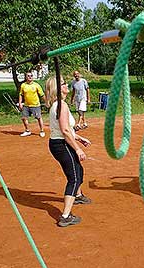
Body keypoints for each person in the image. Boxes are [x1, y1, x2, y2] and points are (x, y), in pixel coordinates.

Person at [45, 76, 92, 227]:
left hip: (59, 142)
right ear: (58, 88)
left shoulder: (58, 104)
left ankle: (77, 195)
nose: (67, 85)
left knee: (77, 170)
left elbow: (66, 129)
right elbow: (65, 131)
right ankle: (65, 216)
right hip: (61, 144)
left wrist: (79, 138)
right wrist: (78, 149)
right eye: (64, 83)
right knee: (74, 177)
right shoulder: (61, 105)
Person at [18, 72, 46, 137]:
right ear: (26, 77)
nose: (30, 77)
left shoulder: (36, 85)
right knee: (24, 118)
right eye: (28, 76)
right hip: (26, 105)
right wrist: (20, 103)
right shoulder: (23, 85)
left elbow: (42, 95)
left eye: (31, 76)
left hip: (35, 105)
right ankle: (27, 130)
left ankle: (42, 131)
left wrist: (46, 102)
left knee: (39, 118)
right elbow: (21, 94)